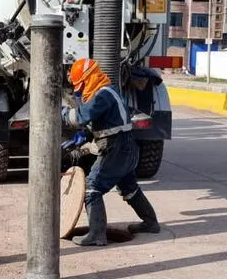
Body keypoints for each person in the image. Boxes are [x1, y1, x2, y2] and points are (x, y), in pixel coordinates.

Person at [61, 58, 160, 246]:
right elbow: (103, 122)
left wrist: (61, 112)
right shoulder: (109, 91)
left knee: (92, 188)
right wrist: (83, 136)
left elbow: (82, 116)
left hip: (117, 148)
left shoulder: (103, 95)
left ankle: (97, 234)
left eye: (81, 85)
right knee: (129, 188)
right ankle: (150, 223)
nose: (79, 90)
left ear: (89, 78)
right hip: (126, 147)